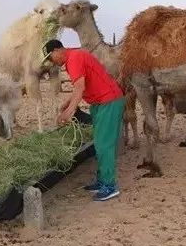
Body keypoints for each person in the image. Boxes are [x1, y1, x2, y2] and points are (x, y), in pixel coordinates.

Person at [42, 39, 124, 201]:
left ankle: (110, 186)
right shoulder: (75, 57)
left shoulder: (74, 59)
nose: (51, 62)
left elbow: (80, 87)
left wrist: (69, 112)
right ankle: (102, 181)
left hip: (108, 101)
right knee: (100, 142)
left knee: (104, 144)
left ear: (58, 50)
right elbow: (81, 86)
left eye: (51, 58)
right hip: (100, 103)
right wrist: (67, 103)